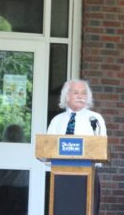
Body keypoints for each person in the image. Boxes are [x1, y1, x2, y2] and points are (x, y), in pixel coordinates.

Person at [47, 79, 107, 215]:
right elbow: (47, 148)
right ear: (66, 96)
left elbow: (101, 149)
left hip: (87, 177)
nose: (81, 96)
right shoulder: (57, 121)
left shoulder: (95, 119)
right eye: (76, 93)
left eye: (84, 93)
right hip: (61, 177)